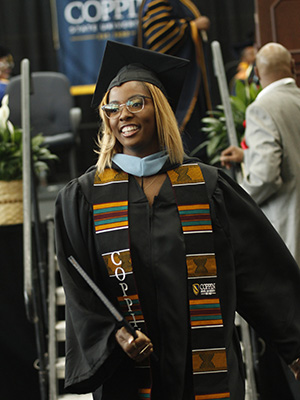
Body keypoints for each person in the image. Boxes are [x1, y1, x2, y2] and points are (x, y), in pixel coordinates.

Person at [55, 40, 300, 400]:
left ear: (161, 108)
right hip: (129, 373)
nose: (123, 114)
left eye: (136, 103)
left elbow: (260, 270)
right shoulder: (84, 197)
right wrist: (115, 334)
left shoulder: (209, 187)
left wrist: (295, 346)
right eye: (112, 107)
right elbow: (80, 288)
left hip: (206, 370)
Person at [220, 42, 300, 267]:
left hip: (287, 230)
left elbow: (265, 177)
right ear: (292, 66)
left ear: (256, 73)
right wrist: (247, 155)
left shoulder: (260, 108)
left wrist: (236, 203)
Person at [137, 0, 212, 161]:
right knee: (186, 143)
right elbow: (160, 36)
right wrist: (192, 26)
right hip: (178, 84)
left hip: (190, 79)